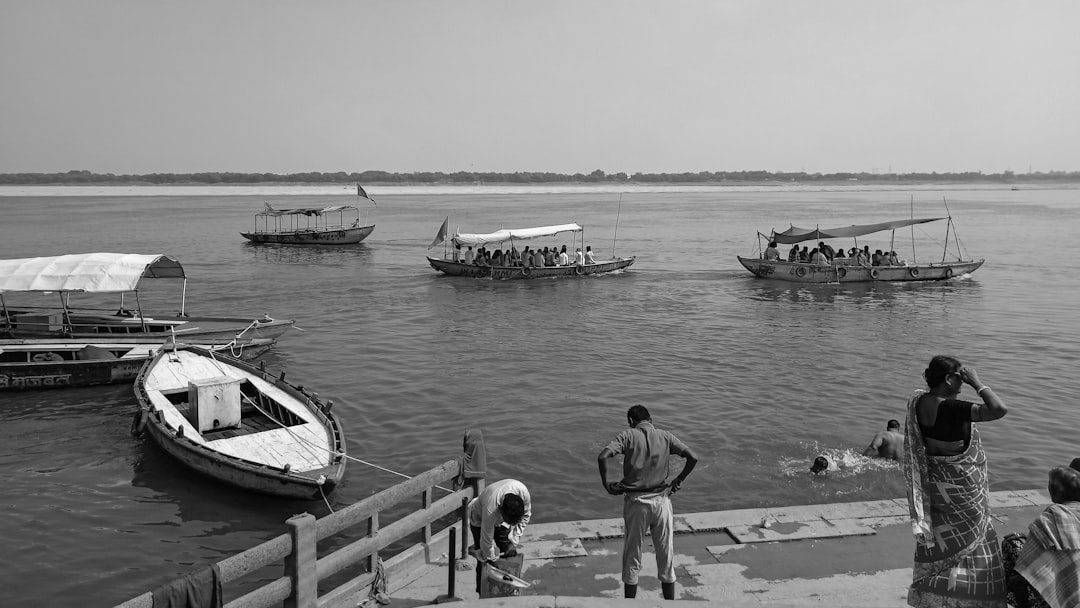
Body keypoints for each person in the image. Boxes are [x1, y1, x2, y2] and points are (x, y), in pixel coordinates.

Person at [904, 355, 1009, 607]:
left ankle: (932, 594)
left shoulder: (918, 402)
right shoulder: (952, 409)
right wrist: (977, 382)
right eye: (959, 378)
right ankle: (969, 599)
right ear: (949, 379)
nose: (961, 384)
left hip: (936, 490)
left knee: (940, 543)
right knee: (974, 544)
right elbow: (998, 409)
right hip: (963, 496)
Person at [598, 405, 698, 600]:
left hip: (636, 503)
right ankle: (670, 603)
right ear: (651, 419)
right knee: (666, 555)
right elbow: (693, 457)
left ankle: (630, 604)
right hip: (661, 502)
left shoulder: (627, 436)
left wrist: (606, 483)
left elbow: (603, 456)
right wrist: (679, 479)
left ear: (631, 421)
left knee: (632, 556)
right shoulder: (665, 436)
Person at [1003, 465, 1080, 608]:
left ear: (1052, 491)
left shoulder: (1052, 516)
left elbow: (1026, 573)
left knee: (1011, 544)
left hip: (1060, 599)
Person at [468, 478, 532, 593]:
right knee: (484, 560)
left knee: (510, 553)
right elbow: (486, 539)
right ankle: (482, 591)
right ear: (501, 512)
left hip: (501, 522)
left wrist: (513, 541)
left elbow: (526, 517)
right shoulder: (490, 509)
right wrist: (492, 561)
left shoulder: (523, 492)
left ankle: (508, 587)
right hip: (479, 518)